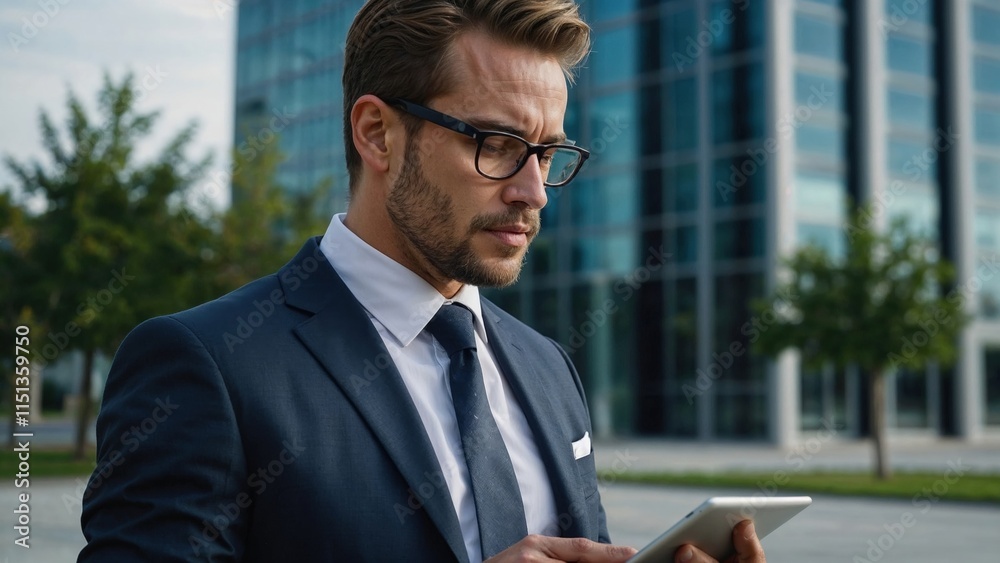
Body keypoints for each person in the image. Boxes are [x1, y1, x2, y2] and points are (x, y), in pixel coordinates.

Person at [79, 1, 767, 562]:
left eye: (549, 153)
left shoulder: (546, 365)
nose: (536, 193)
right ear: (377, 135)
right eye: (497, 145)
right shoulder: (203, 365)